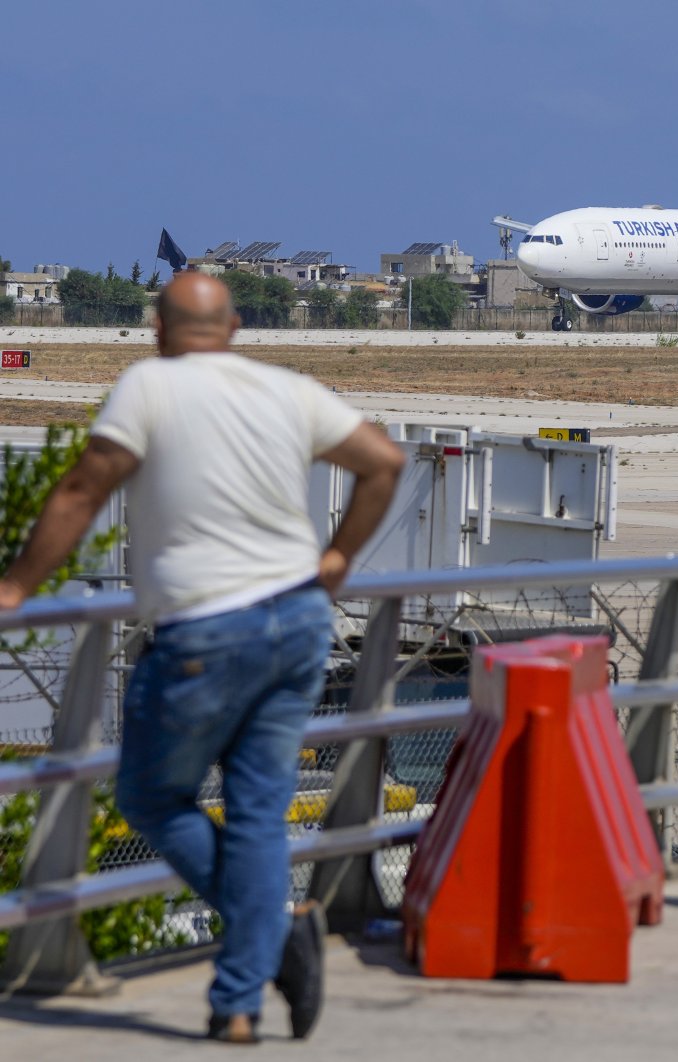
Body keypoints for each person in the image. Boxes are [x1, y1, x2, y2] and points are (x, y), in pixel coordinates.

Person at [0, 273, 404, 1041]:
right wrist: (337, 559)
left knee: (152, 800)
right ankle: (239, 1003)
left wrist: (18, 586)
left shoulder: (150, 385)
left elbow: (86, 487)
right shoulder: (286, 388)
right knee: (257, 816)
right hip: (298, 623)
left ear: (157, 330)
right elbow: (383, 461)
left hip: (206, 629)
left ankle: (275, 942)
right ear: (237, 327)